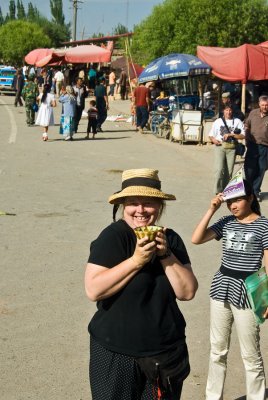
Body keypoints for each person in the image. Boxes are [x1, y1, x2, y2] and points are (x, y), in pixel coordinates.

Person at [84, 168, 198, 400]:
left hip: (164, 351)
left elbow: (187, 292)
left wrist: (166, 255)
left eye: (148, 203)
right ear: (123, 206)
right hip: (116, 351)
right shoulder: (114, 236)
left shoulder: (170, 239)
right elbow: (93, 289)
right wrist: (136, 261)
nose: (141, 210)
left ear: (159, 206)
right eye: (133, 203)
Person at [191, 180, 268, 400]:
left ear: (251, 198)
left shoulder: (264, 225)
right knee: (217, 350)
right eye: (229, 201)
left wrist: (267, 298)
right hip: (221, 287)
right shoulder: (226, 222)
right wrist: (211, 209)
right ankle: (213, 397)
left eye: (238, 200)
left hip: (249, 291)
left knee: (250, 354)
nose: (233, 205)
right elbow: (196, 239)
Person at [209, 105, 245, 194]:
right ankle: (217, 191)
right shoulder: (218, 121)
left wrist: (231, 135)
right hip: (220, 147)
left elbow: (243, 136)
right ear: (223, 111)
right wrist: (214, 140)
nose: (228, 112)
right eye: (226, 110)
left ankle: (226, 191)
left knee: (229, 171)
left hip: (232, 148)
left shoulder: (237, 121)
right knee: (219, 169)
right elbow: (211, 135)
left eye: (230, 110)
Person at [244, 95, 268, 202]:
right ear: (259, 104)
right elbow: (247, 125)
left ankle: (256, 190)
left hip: (265, 146)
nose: (265, 107)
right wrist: (246, 137)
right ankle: (248, 190)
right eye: (263, 105)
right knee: (249, 169)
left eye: (266, 105)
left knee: (261, 168)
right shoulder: (253, 113)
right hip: (252, 145)